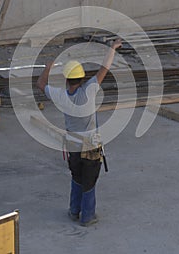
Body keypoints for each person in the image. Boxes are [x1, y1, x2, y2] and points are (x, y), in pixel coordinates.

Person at [37, 39, 122, 226]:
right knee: (89, 181)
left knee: (76, 177)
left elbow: (41, 84)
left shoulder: (60, 95)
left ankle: (74, 210)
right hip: (90, 145)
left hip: (72, 144)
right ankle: (87, 216)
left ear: (66, 79)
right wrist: (112, 48)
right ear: (82, 78)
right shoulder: (89, 91)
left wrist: (48, 67)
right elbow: (105, 68)